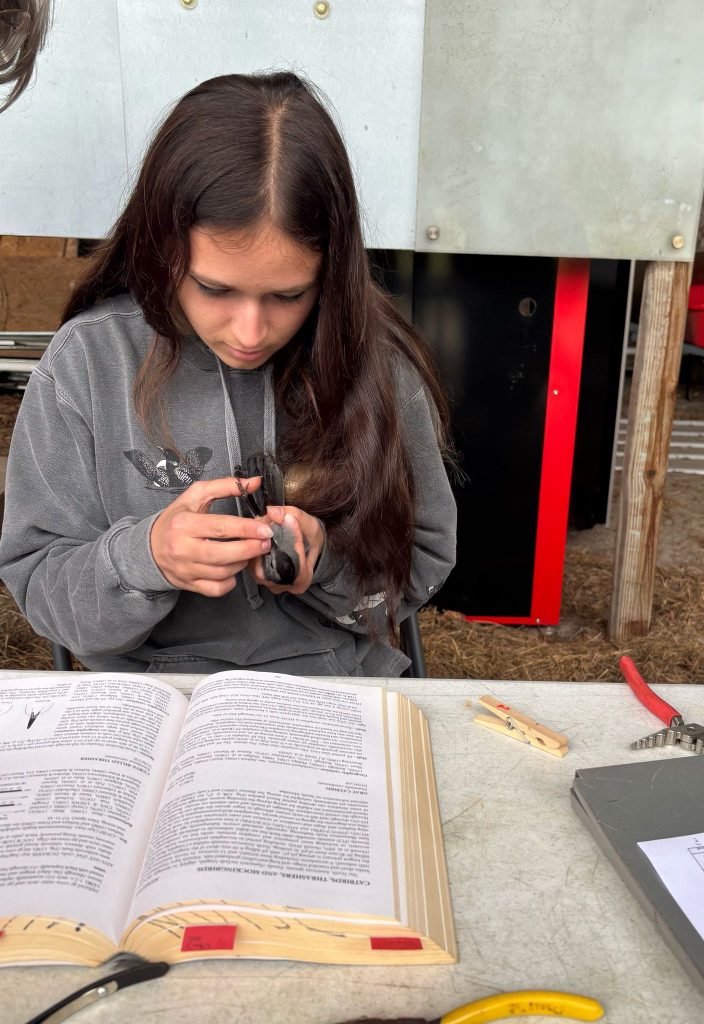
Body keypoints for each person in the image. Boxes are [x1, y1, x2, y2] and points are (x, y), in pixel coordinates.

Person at [0, 71, 457, 676]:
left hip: (338, 688)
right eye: (215, 288)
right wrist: (147, 558)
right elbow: (40, 579)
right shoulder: (89, 361)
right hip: (147, 701)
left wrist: (324, 567)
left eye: (288, 295)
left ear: (331, 272)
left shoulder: (378, 368)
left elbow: (419, 562)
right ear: (163, 247)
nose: (249, 332)